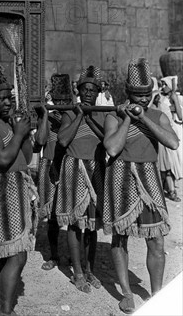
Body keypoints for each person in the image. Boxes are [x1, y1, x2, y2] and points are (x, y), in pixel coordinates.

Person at [103, 58, 179, 313]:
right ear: (128, 94)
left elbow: (173, 143)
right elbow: (113, 148)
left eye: (147, 95)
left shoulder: (157, 115)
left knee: (156, 240)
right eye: (138, 96)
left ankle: (157, 294)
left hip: (150, 177)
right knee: (119, 237)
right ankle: (126, 293)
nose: (143, 99)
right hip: (120, 177)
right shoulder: (114, 117)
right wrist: (126, 119)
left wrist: (144, 117)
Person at [0, 65, 47, 316]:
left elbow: (25, 157)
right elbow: (2, 160)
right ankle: (4, 312)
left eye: (9, 98)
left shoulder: (4, 122)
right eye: (1, 98)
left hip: (15, 185)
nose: (7, 103)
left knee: (10, 254)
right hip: (0, 189)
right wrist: (18, 133)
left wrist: (23, 135)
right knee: (16, 255)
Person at [55, 66, 107, 294]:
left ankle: (89, 269)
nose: (88, 93)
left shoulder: (104, 114)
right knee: (76, 224)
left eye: (92, 90)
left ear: (98, 93)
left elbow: (107, 141)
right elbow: (64, 141)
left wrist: (90, 117)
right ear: (78, 91)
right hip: (74, 168)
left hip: (96, 169)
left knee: (92, 226)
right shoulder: (68, 113)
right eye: (84, 89)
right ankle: (77, 272)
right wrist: (78, 116)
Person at [38, 73, 71, 271]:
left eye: (64, 100)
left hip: (69, 165)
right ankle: (54, 254)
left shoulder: (75, 115)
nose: (59, 103)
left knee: (72, 214)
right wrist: (44, 116)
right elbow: (40, 141)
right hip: (49, 164)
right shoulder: (48, 117)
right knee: (51, 216)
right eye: (56, 99)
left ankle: (74, 255)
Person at [151, 76, 183, 201]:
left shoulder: (175, 98)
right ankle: (169, 190)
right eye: (161, 84)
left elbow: (179, 117)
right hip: (161, 133)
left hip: (172, 132)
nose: (162, 87)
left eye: (165, 84)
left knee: (171, 163)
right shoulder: (158, 98)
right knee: (164, 165)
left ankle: (171, 190)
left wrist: (175, 101)